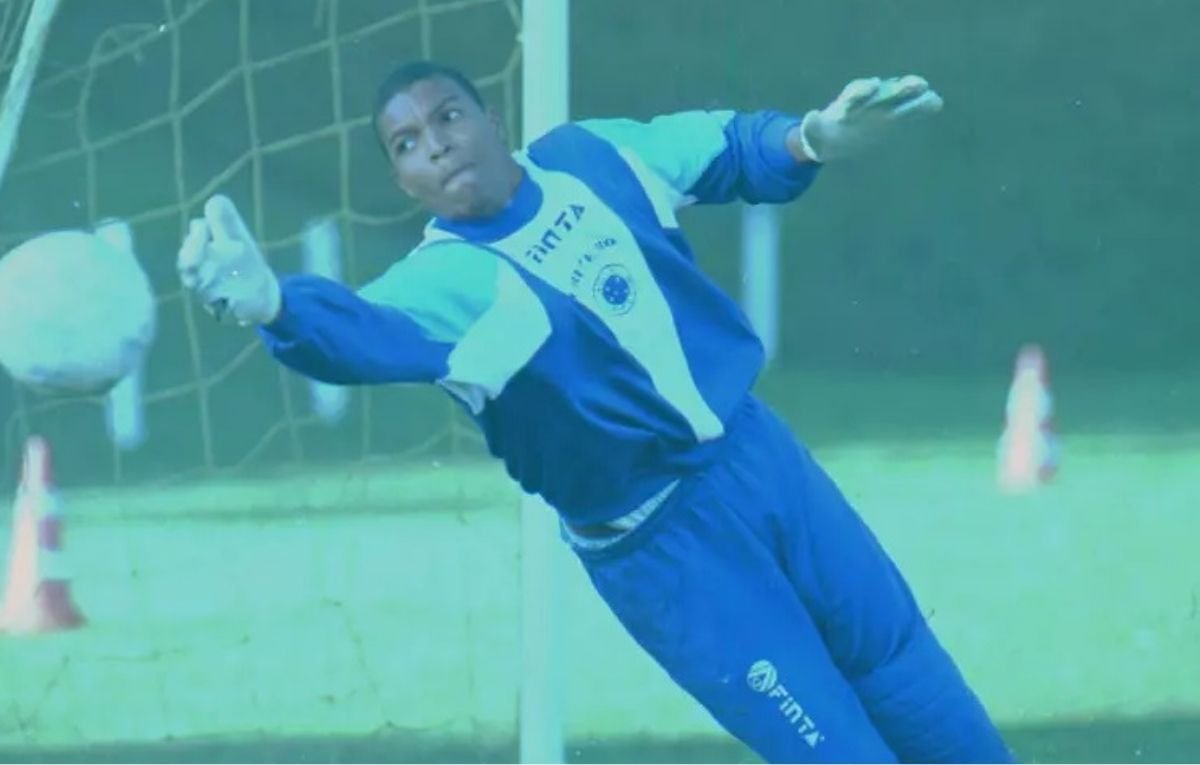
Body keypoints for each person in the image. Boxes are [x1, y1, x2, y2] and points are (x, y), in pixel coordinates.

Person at [177, 60, 1015, 763]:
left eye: (447, 116)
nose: (434, 142)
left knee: (910, 675)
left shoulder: (591, 156)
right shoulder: (442, 285)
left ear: (491, 117)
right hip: (666, 549)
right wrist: (275, 308)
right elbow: (357, 334)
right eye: (407, 143)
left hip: (762, 458)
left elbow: (718, 148)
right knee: (839, 750)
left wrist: (809, 139)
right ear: (403, 181)